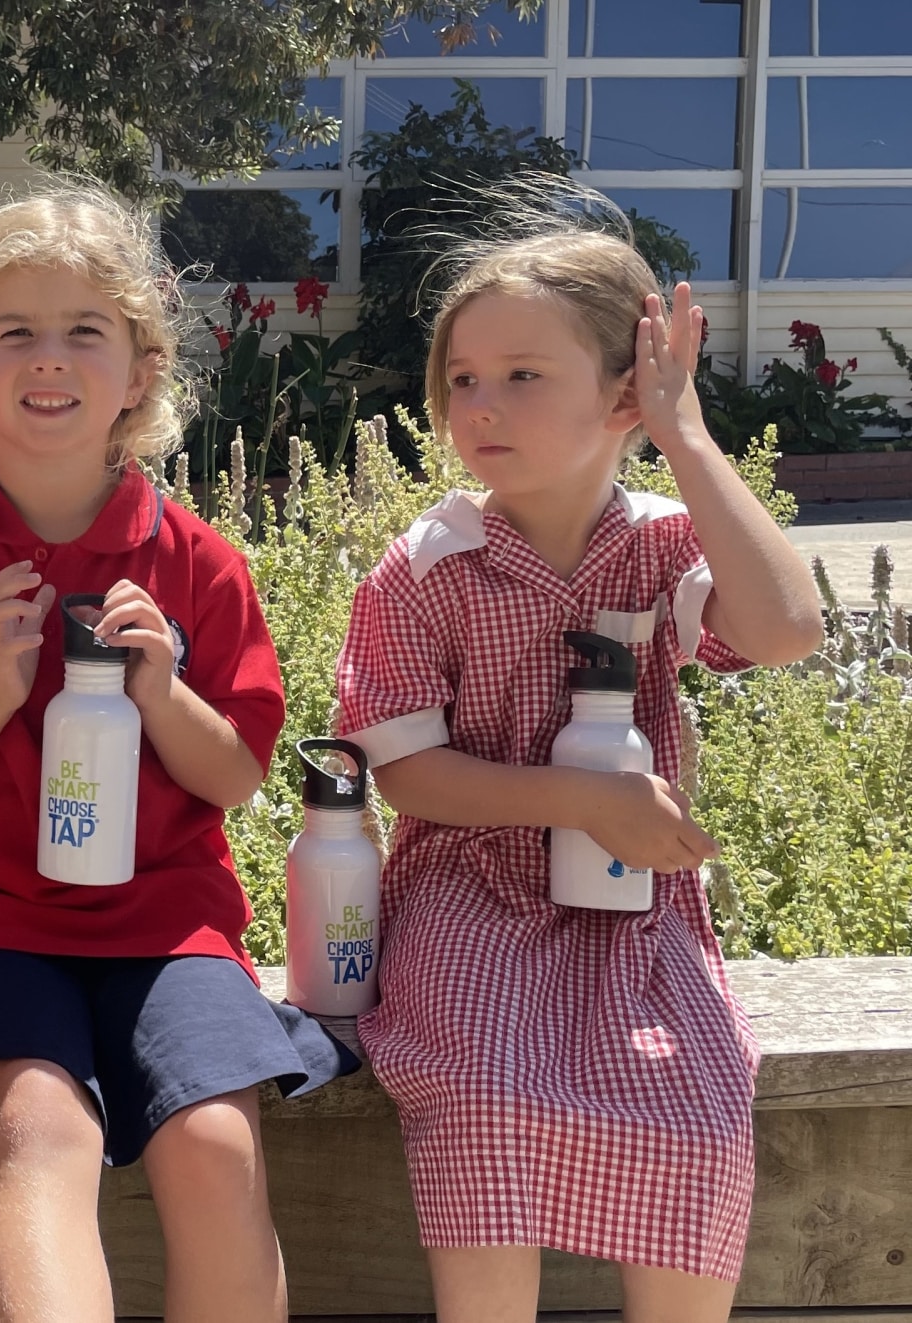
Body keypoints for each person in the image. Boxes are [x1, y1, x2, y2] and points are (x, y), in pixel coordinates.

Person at [0, 184, 355, 1323]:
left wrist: (161, 690)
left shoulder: (199, 562)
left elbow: (235, 776)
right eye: (15, 332)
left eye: (86, 330)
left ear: (139, 372)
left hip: (164, 918)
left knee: (215, 1139)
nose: (50, 357)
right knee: (40, 1125)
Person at [334, 191, 823, 1322]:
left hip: (633, 906)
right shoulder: (427, 568)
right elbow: (408, 774)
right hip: (469, 893)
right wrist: (583, 797)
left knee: (698, 1105)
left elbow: (786, 630)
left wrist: (686, 438)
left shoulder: (659, 545)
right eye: (462, 378)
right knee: (481, 1091)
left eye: (522, 375)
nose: (480, 404)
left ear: (621, 397)